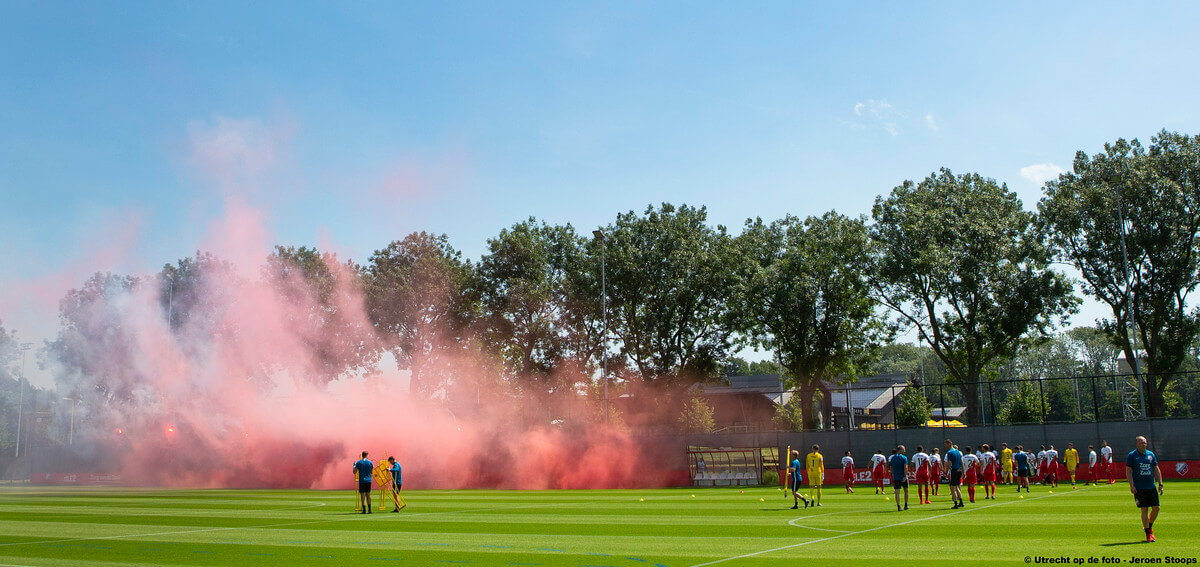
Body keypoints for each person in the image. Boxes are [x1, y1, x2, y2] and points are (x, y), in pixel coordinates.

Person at [1124, 436, 1163, 542]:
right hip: (1139, 488)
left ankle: (1149, 526)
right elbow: (1128, 471)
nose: (1143, 445)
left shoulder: (1151, 455)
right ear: (1136, 444)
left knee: (1156, 508)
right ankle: (1148, 533)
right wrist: (1131, 485)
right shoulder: (1132, 455)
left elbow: (1156, 468)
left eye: (1145, 443)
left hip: (1151, 486)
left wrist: (1160, 483)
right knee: (1144, 509)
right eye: (1141, 443)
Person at [887, 444, 909, 511]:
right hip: (902, 476)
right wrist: (905, 476)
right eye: (903, 449)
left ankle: (898, 506)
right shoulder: (904, 457)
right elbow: (905, 467)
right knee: (906, 491)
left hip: (896, 477)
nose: (905, 450)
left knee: (897, 492)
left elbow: (891, 467)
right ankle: (906, 505)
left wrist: (894, 474)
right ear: (900, 450)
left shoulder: (893, 458)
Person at [944, 439, 964, 508]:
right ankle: (961, 501)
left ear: (949, 444)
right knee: (957, 486)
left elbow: (949, 463)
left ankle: (955, 503)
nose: (945, 446)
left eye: (945, 444)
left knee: (952, 487)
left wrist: (946, 472)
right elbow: (962, 462)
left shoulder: (950, 452)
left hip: (954, 470)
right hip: (959, 470)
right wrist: (963, 472)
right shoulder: (958, 452)